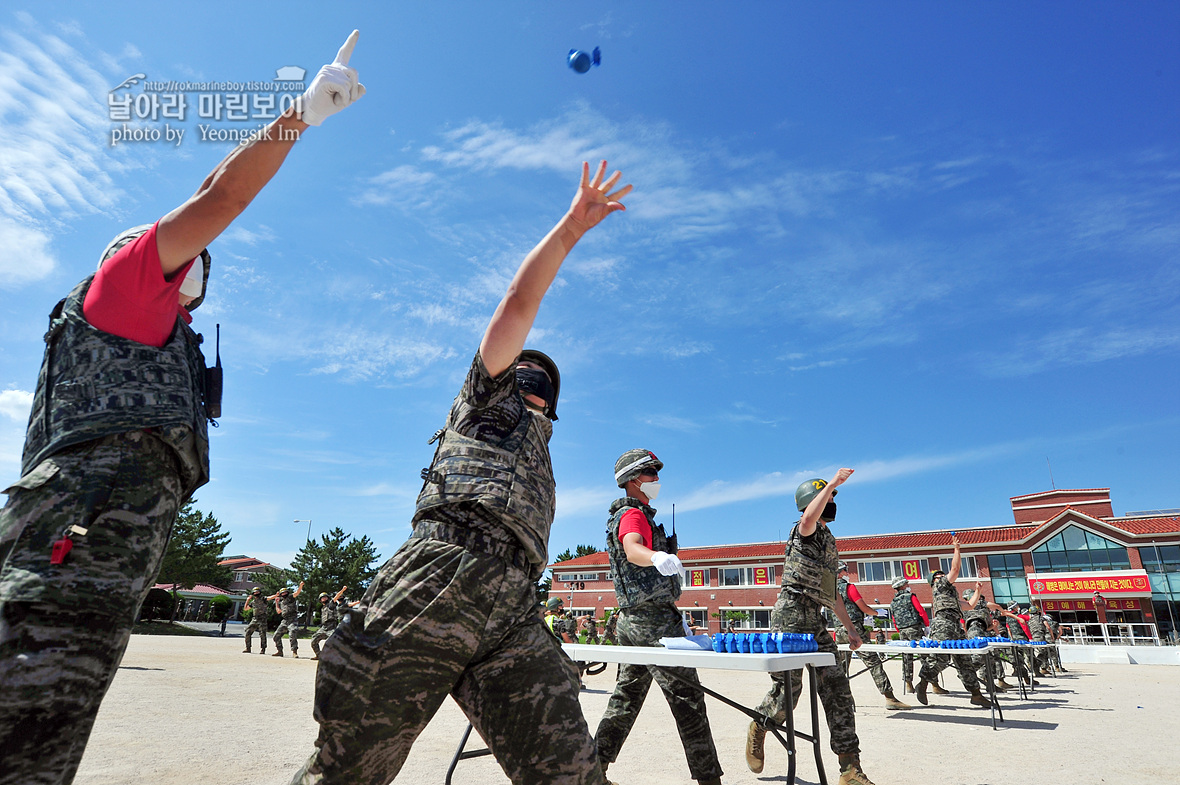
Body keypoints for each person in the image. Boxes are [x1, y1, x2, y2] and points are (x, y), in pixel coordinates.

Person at [0, 32, 364, 785]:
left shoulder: (162, 324)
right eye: (189, 252)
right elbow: (219, 195)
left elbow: (208, 197)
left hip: (96, 565)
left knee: (46, 745)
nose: (201, 262)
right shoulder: (125, 287)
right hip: (63, 557)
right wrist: (303, 114)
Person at [289, 160, 631, 785]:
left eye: (542, 385)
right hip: (438, 579)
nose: (530, 385)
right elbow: (517, 303)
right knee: (349, 769)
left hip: (513, 605)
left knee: (571, 771)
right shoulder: (483, 404)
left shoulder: (541, 450)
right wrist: (569, 231)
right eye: (523, 374)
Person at [595, 449, 724, 785]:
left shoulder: (632, 514)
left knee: (626, 698)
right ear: (635, 480)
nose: (656, 480)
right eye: (651, 474)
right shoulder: (634, 515)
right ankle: (710, 780)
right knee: (688, 699)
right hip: (653, 622)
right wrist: (655, 557)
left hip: (632, 620)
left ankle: (593, 771)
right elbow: (632, 547)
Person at [747, 471, 876, 785]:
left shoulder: (830, 543)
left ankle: (850, 770)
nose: (833, 502)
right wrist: (830, 483)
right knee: (787, 694)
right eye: (830, 498)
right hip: (790, 615)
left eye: (832, 497)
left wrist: (851, 630)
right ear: (813, 501)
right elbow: (808, 520)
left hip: (816, 619)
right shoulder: (805, 528)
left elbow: (832, 595)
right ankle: (760, 724)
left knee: (838, 690)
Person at [913, 537, 992, 708]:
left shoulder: (951, 594)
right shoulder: (940, 585)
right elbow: (955, 569)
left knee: (965, 661)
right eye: (939, 575)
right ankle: (923, 684)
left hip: (955, 625)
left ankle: (976, 694)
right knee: (940, 659)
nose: (943, 576)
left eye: (942, 574)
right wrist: (957, 549)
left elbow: (970, 605)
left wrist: (977, 591)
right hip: (943, 625)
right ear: (934, 579)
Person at [833, 563, 910, 710]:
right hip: (854, 629)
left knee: (841, 668)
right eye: (845, 570)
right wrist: (877, 613)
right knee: (873, 662)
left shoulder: (829, 590)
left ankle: (841, 700)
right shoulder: (849, 587)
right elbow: (863, 607)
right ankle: (889, 697)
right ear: (842, 572)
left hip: (839, 631)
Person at [888, 577, 929, 694]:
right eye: (906, 583)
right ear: (902, 586)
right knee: (924, 656)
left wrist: (898, 629)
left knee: (906, 658)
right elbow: (921, 611)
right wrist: (926, 625)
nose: (908, 585)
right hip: (914, 628)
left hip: (902, 631)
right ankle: (931, 682)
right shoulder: (911, 596)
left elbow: (894, 619)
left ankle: (908, 683)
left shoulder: (893, 602)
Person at [310, 586, 349, 660]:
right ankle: (319, 655)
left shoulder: (331, 604)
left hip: (331, 627)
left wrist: (342, 590)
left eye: (325, 597)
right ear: (320, 600)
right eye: (322, 598)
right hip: (324, 627)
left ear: (328, 598)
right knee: (313, 640)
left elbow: (336, 596)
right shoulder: (322, 608)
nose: (324, 599)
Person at [271, 582, 306, 657]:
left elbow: (297, 593)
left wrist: (300, 586)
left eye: (285, 592)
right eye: (282, 593)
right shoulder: (282, 602)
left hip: (292, 619)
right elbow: (279, 611)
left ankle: (294, 652)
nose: (284, 594)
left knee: (292, 632)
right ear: (281, 594)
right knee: (276, 636)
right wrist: (277, 603)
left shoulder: (290, 597)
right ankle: (280, 651)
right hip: (285, 620)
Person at [243, 587, 270, 655]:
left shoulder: (263, 599)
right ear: (253, 593)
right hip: (255, 619)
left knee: (262, 634)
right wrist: (247, 600)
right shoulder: (253, 602)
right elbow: (245, 609)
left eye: (257, 592)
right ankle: (248, 648)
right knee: (248, 632)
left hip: (262, 618)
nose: (256, 593)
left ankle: (263, 649)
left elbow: (269, 598)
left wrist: (276, 595)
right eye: (255, 592)